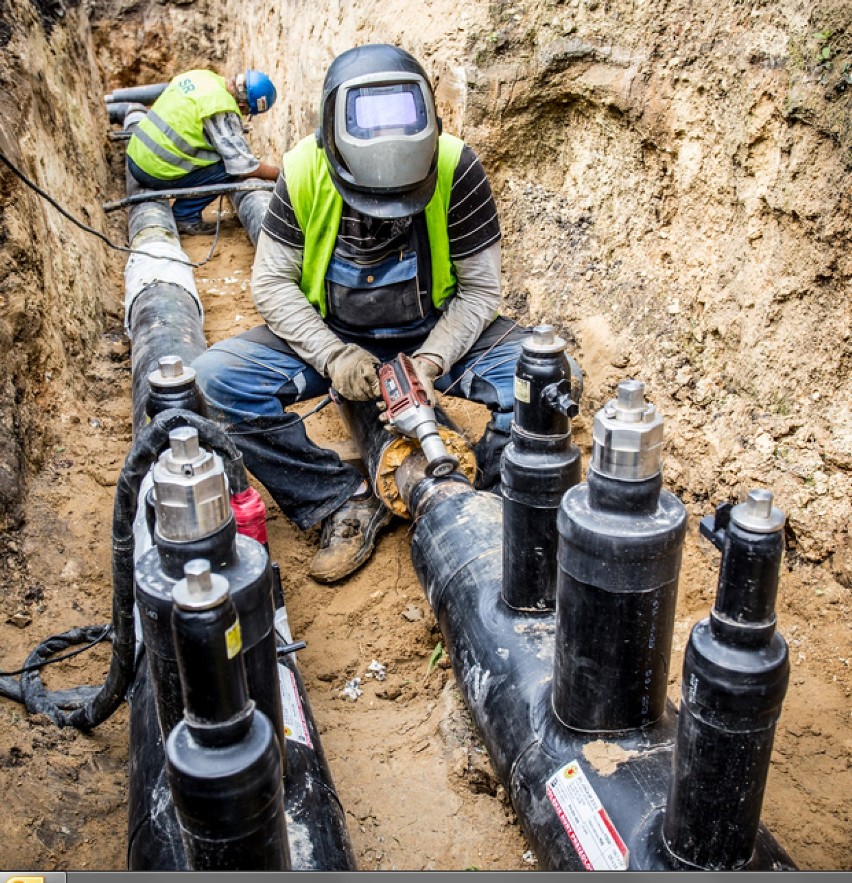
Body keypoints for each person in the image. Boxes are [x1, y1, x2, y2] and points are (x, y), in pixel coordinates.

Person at [192, 44, 531, 583]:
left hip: (434, 330)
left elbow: (480, 289)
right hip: (336, 334)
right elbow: (272, 282)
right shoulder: (303, 169)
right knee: (217, 382)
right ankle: (340, 499)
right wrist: (332, 356)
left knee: (542, 384)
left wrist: (434, 360)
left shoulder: (455, 167)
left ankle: (478, 494)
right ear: (334, 150)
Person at [126, 68, 280, 235]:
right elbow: (243, 166)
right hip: (154, 170)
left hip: (137, 154)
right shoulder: (220, 108)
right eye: (245, 113)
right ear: (243, 106)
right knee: (229, 170)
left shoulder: (202, 77)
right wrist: (280, 174)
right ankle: (186, 216)